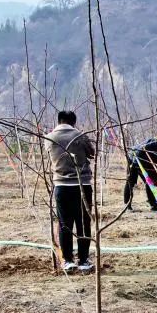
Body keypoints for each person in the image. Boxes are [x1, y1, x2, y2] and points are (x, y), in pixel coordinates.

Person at [44, 109, 96, 273]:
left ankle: (67, 260)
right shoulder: (80, 135)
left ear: (59, 121)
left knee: (65, 224)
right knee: (83, 223)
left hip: (61, 186)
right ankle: (84, 260)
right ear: (73, 122)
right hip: (82, 185)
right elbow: (92, 153)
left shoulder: (49, 137)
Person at [124, 134, 157, 211]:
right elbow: (154, 158)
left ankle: (152, 203)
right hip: (136, 158)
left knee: (151, 179)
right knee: (132, 181)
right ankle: (128, 205)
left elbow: (155, 158)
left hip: (136, 156)